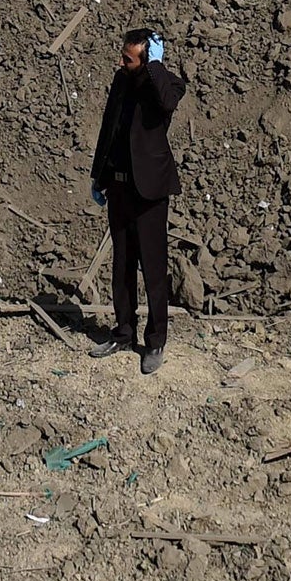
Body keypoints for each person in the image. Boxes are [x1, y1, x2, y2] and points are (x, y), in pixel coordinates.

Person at [88, 30, 187, 375]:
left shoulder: (167, 84)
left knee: (154, 271)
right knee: (122, 266)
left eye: (128, 58)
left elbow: (168, 104)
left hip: (150, 193)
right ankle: (124, 333)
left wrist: (156, 66)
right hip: (119, 189)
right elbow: (109, 127)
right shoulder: (120, 81)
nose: (121, 62)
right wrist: (98, 175)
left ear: (147, 59)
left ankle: (156, 341)